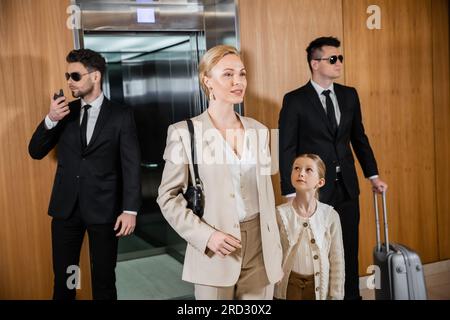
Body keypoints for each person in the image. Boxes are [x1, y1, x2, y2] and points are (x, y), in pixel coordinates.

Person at [157, 45, 283, 300]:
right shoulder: (184, 132)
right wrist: (206, 236)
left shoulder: (260, 131)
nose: (238, 82)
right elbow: (167, 197)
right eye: (228, 74)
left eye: (242, 74)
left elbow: (268, 194)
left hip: (261, 248)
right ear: (207, 81)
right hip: (215, 249)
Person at [278, 36, 388, 299]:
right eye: (332, 59)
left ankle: (351, 296)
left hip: (347, 186)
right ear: (315, 63)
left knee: (348, 247)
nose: (339, 63)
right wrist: (291, 191)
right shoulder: (295, 99)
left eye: (340, 58)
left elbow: (359, 138)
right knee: (317, 251)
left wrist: (373, 175)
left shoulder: (349, 95)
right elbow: (286, 148)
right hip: (313, 190)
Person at [28, 49, 141, 300]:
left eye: (75, 76)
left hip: (105, 211)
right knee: (66, 279)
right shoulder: (64, 113)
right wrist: (50, 119)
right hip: (65, 210)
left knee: (103, 279)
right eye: (68, 75)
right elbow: (35, 151)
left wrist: (130, 210)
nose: (69, 81)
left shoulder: (121, 115)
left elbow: (131, 165)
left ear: (95, 76)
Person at [274, 154, 344, 300]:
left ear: (320, 182)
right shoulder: (280, 214)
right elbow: (273, 254)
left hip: (318, 288)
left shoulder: (330, 216)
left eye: (308, 170)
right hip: (288, 286)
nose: (301, 173)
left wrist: (336, 295)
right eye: (297, 168)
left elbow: (337, 260)